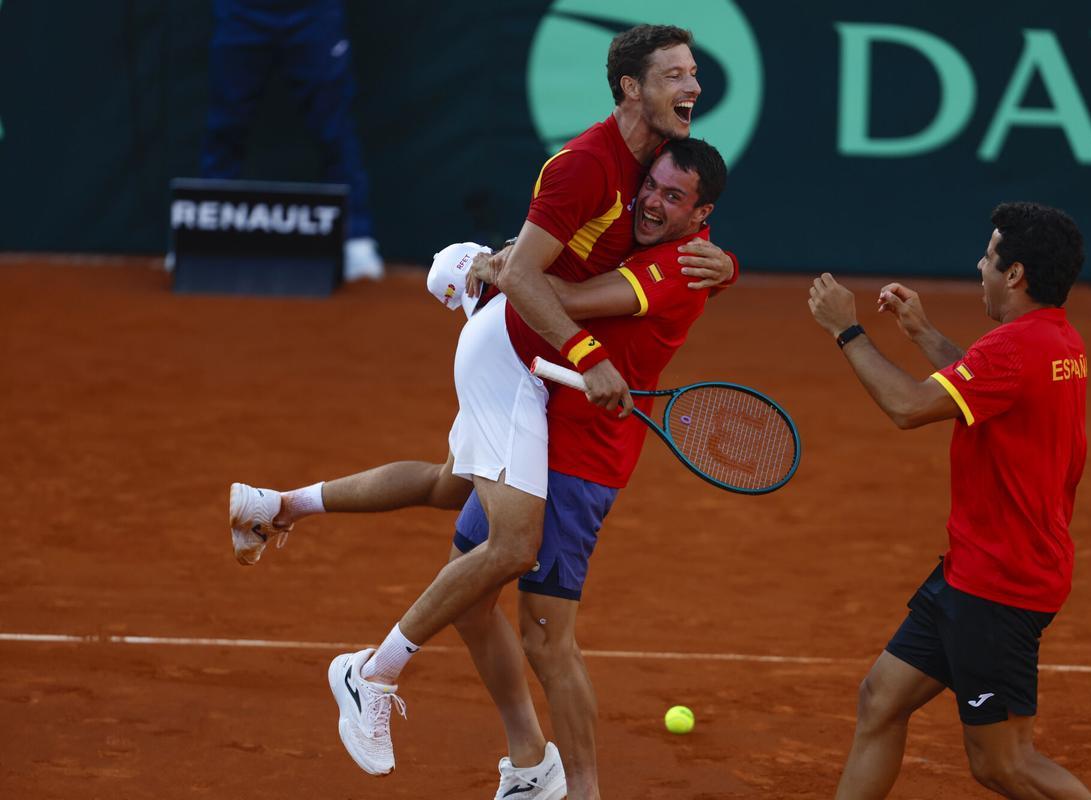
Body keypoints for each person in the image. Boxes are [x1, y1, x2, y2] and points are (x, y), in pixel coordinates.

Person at [231, 22, 732, 796]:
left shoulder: (650, 182)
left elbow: (562, 271)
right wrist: (517, 291)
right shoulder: (591, 166)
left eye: (692, 72)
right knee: (520, 563)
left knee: (455, 507)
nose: (694, 86)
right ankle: (375, 675)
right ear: (632, 87)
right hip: (528, 370)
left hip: (543, 379)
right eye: (676, 74)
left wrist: (488, 267)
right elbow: (542, 276)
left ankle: (283, 506)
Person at [807, 202, 1091, 800]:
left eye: (990, 255)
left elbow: (909, 408)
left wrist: (846, 331)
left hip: (1000, 584)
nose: (979, 265)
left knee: (1003, 765)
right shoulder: (1056, 339)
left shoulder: (1011, 348)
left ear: (1015, 274)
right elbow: (984, 388)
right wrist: (921, 333)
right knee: (881, 699)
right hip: (973, 570)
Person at [199, 0, 383, 281]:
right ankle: (205, 238)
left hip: (314, 11)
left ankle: (355, 237)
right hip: (241, 10)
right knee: (225, 125)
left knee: (335, 130)